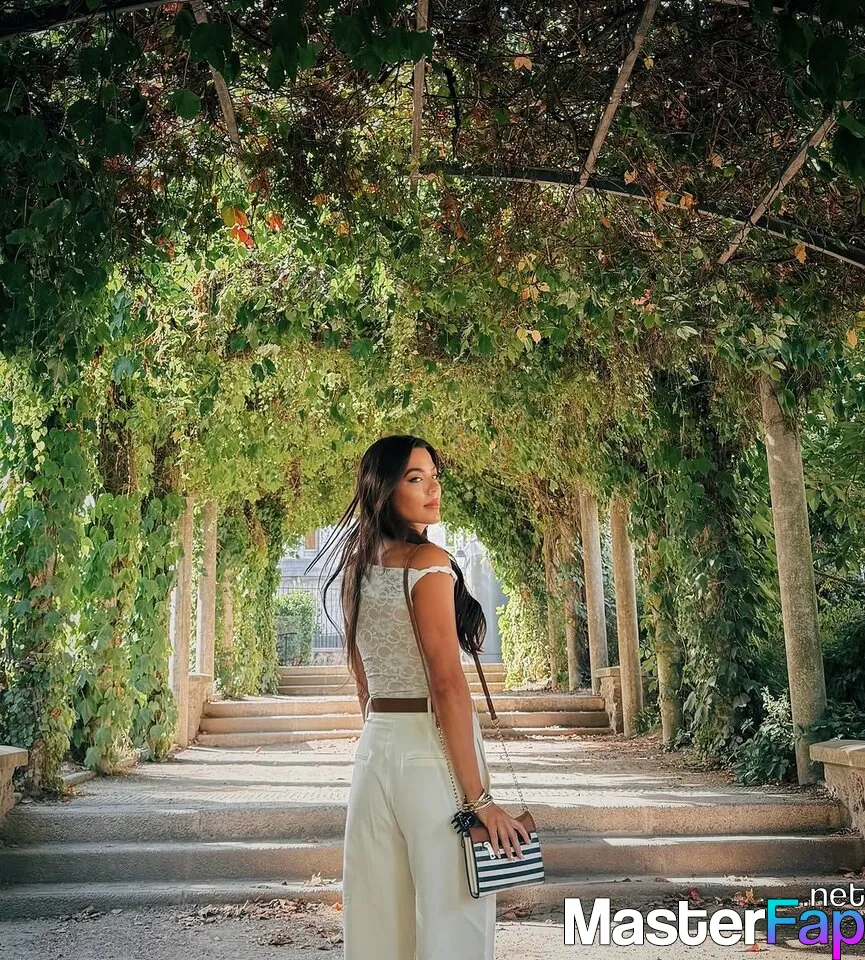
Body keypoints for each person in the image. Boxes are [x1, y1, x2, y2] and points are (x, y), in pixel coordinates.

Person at [313, 434, 531, 959]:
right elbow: (447, 683)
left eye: (434, 476)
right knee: (453, 918)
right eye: (416, 478)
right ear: (384, 489)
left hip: (374, 753)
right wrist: (480, 802)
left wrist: (384, 738)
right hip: (431, 753)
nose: (433, 488)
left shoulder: (356, 566)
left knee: (377, 921)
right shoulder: (427, 561)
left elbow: (363, 679)